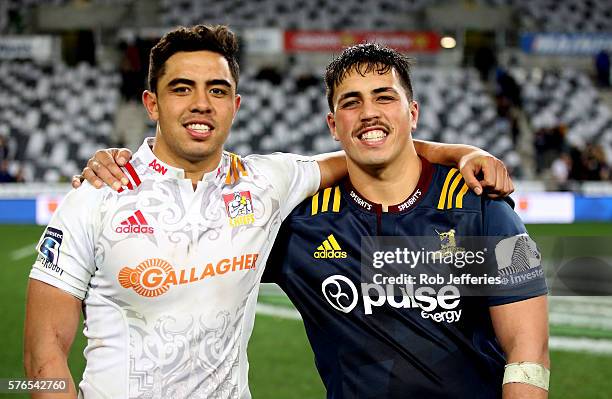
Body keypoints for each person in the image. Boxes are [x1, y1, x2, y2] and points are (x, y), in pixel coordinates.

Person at [55, 26, 512, 399]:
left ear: (235, 106)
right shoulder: (97, 194)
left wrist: (462, 153)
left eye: (217, 90)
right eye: (181, 88)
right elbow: (41, 359)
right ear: (151, 103)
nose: (201, 103)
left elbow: (374, 147)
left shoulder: (266, 183)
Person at [262, 44, 549, 398]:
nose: (369, 113)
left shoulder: (483, 209)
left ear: (412, 113)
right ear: (333, 126)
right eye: (351, 102)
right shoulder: (300, 224)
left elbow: (528, 351)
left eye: (384, 98)